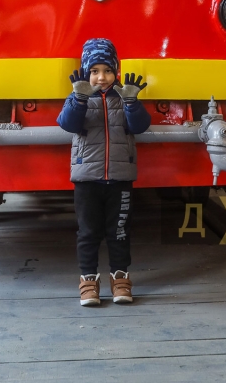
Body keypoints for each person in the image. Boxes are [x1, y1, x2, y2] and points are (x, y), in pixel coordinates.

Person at [56, 38, 151, 307]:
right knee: (88, 232)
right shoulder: (77, 97)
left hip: (120, 178)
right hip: (87, 179)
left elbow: (140, 126)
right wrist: (79, 98)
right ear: (87, 73)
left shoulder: (124, 97)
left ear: (116, 72)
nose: (101, 77)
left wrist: (132, 102)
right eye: (95, 71)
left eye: (108, 70)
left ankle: (120, 279)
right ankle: (88, 282)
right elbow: (68, 124)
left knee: (119, 230)